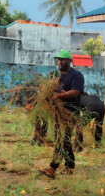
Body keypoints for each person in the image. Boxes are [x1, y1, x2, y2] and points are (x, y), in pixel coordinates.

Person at [39, 50, 84, 178]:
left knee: (62, 140)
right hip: (59, 113)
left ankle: (53, 168)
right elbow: (50, 90)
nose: (60, 62)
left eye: (63, 59)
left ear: (69, 61)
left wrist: (58, 96)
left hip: (70, 113)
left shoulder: (76, 76)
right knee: (64, 140)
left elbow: (75, 92)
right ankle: (70, 167)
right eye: (58, 59)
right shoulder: (57, 76)